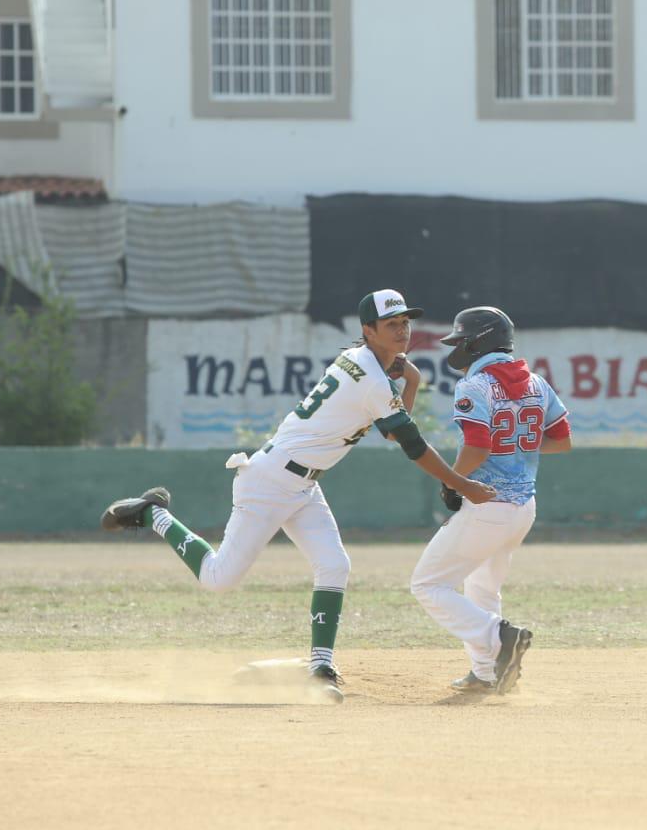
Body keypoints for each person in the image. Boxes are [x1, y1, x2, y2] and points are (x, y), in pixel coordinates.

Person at [98, 289, 496, 702]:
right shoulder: (373, 379)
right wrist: (462, 485)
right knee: (218, 579)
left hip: (303, 484)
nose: (403, 331)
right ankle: (153, 515)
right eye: (392, 324)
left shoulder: (364, 364)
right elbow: (409, 443)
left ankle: (320, 667)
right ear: (368, 330)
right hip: (268, 482)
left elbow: (392, 427)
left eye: (406, 322)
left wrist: (410, 379)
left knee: (334, 565)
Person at [409, 306, 571, 695]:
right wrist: (518, 448)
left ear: (478, 341)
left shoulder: (475, 385)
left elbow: (478, 446)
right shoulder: (536, 382)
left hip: (486, 505)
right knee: (482, 589)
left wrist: (454, 482)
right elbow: (561, 442)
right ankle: (488, 673)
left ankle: (500, 638)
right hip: (523, 507)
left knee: (428, 584)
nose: (457, 347)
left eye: (462, 339)